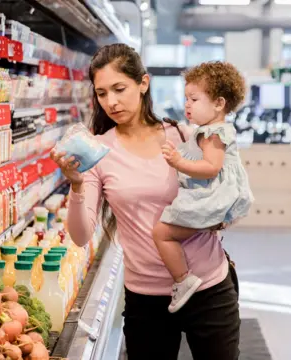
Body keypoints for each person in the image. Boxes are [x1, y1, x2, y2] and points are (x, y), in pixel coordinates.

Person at [50, 44, 242, 360]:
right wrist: (76, 184)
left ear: (143, 83)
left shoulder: (182, 134)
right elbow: (82, 236)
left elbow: (222, 188)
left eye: (119, 88)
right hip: (146, 299)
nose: (111, 101)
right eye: (101, 93)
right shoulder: (98, 151)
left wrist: (222, 214)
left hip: (208, 288)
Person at [153, 62, 253, 313]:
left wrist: (179, 162)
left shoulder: (212, 133)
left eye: (194, 99)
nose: (187, 104)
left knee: (162, 233)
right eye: (186, 98)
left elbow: (211, 167)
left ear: (219, 103)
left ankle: (182, 279)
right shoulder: (209, 130)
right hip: (219, 194)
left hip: (213, 196)